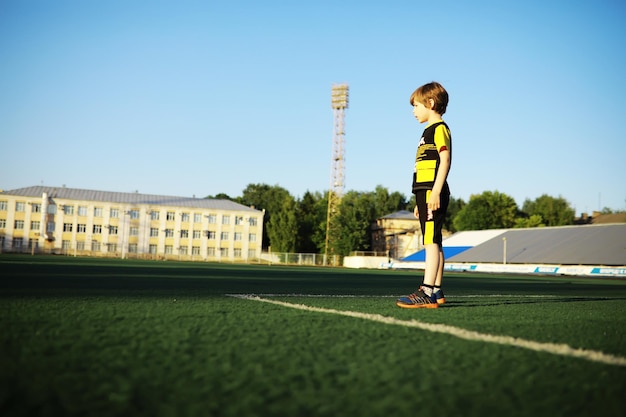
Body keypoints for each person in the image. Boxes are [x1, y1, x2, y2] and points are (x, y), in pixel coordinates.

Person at [397, 81, 451, 309]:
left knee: (430, 241)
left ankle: (426, 290)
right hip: (424, 193)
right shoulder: (427, 131)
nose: (413, 111)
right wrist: (420, 199)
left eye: (416, 105)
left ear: (430, 103)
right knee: (434, 241)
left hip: (432, 191)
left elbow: (445, 160)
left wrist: (436, 191)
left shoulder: (440, 129)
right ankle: (436, 290)